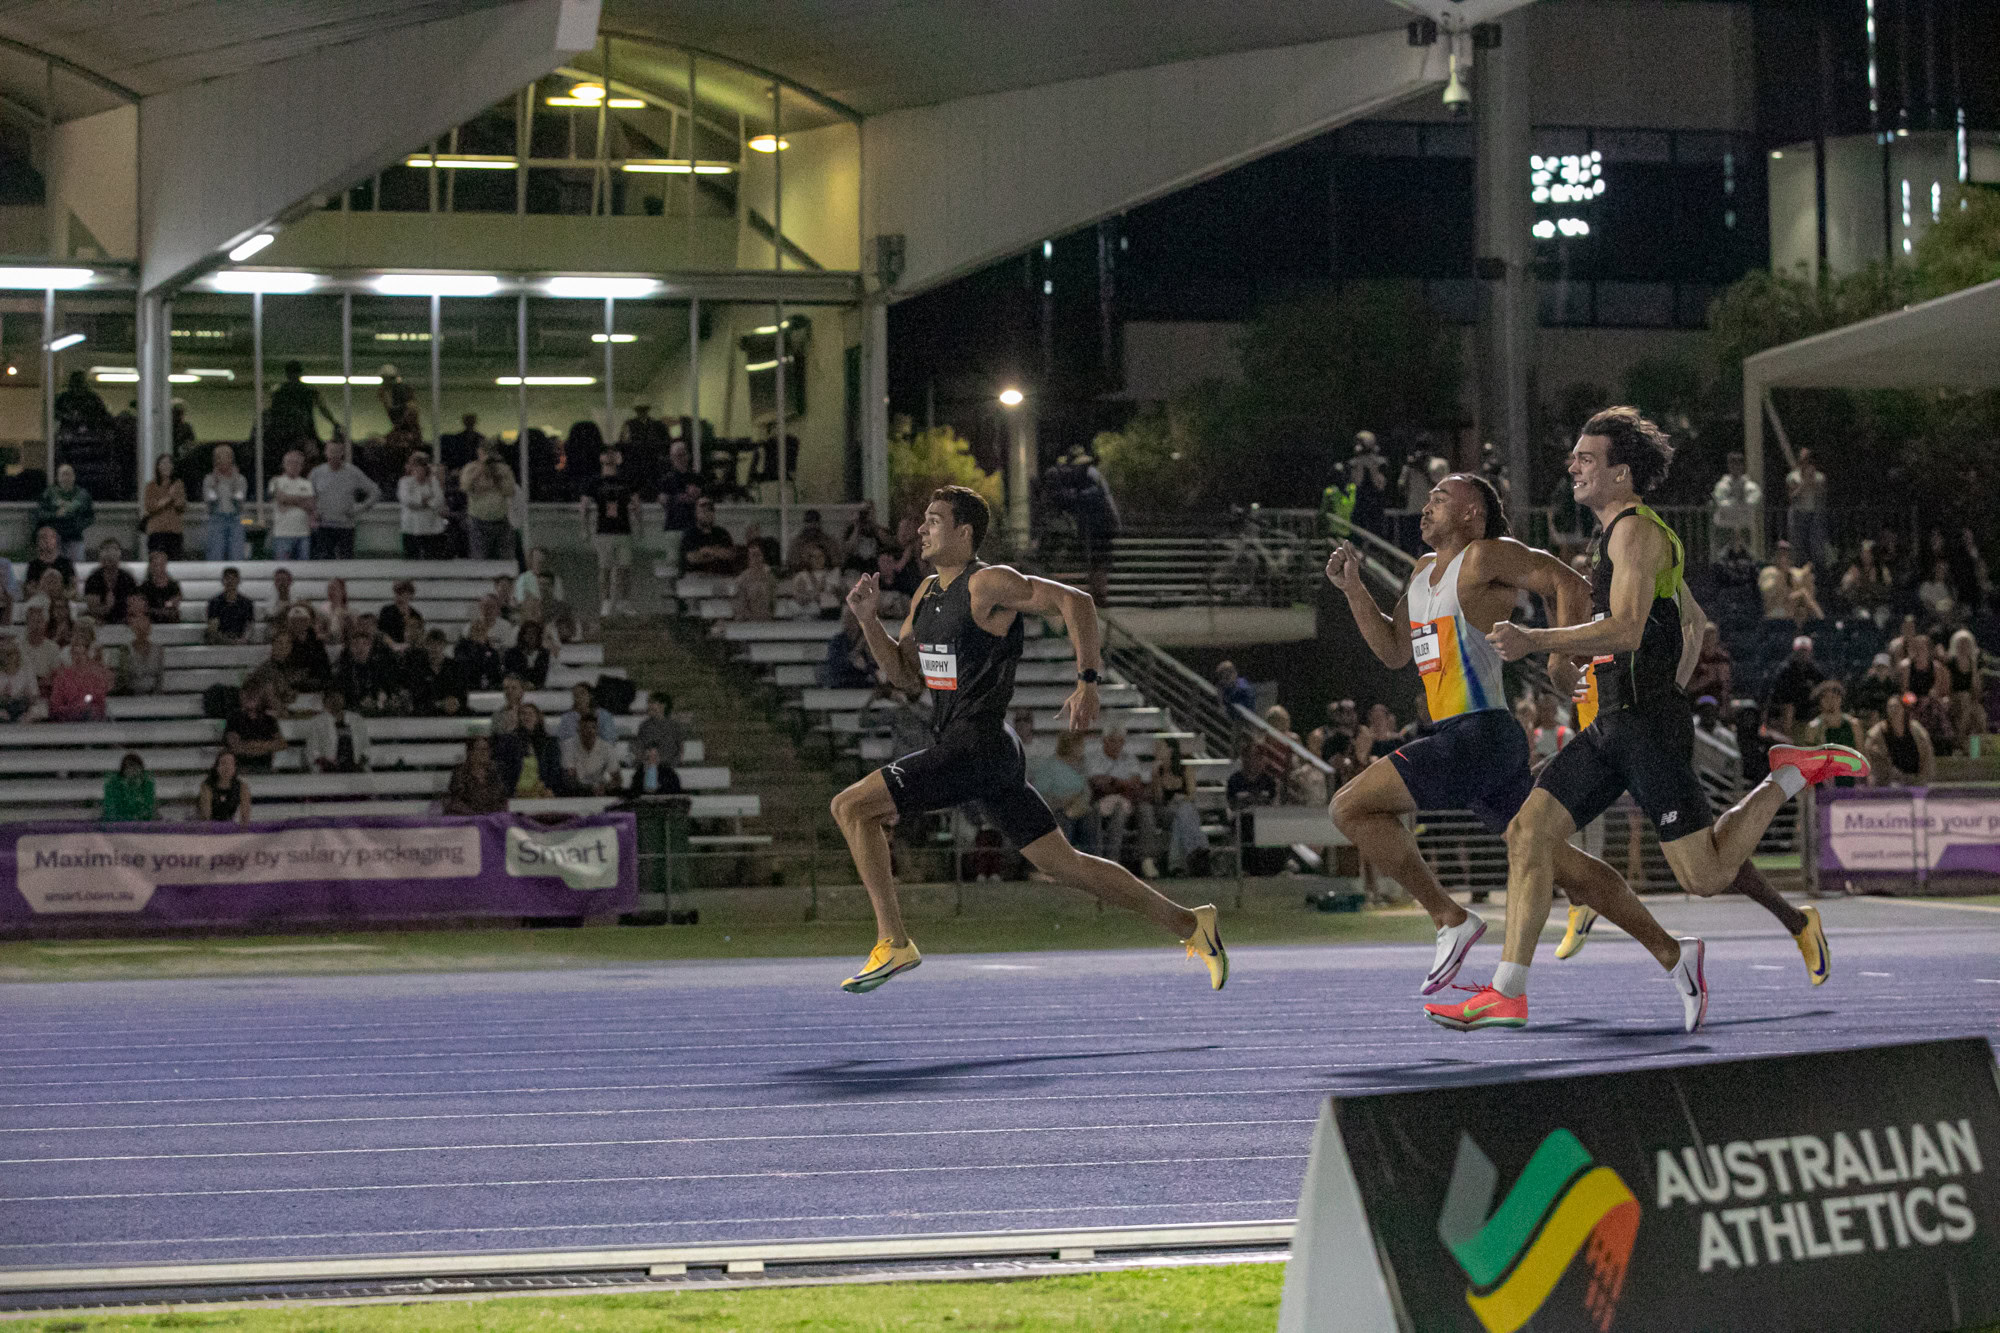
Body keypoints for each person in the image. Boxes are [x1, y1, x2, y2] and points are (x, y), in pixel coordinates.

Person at [1460, 407, 1864, 1032]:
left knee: (1705, 876)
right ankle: (1507, 991)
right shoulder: (1618, 538)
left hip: (1645, 726)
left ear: (1621, 473)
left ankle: (1786, 776)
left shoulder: (1635, 533)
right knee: (1527, 832)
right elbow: (1693, 622)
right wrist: (1640, 675)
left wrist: (1539, 640)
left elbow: (1625, 629)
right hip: (1614, 722)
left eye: (1586, 458)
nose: (1573, 465)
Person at [827, 485, 1225, 994]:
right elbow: (906, 678)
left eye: (934, 520)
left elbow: (1076, 601)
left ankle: (893, 941)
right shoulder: (925, 595)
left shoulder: (987, 583)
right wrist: (868, 622)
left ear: (964, 532)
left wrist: (1088, 681)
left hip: (976, 745)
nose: (921, 529)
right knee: (1065, 865)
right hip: (982, 750)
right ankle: (1192, 924)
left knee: (850, 806)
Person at [1326, 470, 1690, 1001]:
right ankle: (1674, 952)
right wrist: (1354, 589)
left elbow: (1570, 583)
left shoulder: (1483, 556)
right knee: (1565, 865)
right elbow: (1393, 651)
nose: (1426, 506)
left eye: (1439, 498)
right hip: (1477, 742)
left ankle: (1450, 917)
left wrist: (1560, 658)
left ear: (1470, 513)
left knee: (1349, 807)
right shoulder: (1423, 570)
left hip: (1480, 734)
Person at [1087, 724, 1158, 875]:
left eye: (1120, 741)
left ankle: (1147, 860)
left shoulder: (1130, 759)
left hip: (1129, 800)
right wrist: (1123, 784)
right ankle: (1112, 860)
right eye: (1112, 740)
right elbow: (1098, 784)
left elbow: (1136, 783)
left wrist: (1114, 782)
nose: (1117, 745)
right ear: (1104, 741)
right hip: (1104, 803)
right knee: (1119, 811)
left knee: (1146, 809)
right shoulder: (1095, 759)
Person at [582, 448, 638, 617]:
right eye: (606, 453)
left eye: (613, 453)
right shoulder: (595, 482)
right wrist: (584, 528)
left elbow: (636, 503)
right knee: (605, 568)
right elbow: (584, 506)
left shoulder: (626, 480)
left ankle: (624, 602)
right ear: (601, 457)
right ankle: (605, 602)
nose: (609, 456)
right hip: (604, 530)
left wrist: (639, 525)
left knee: (625, 568)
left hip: (623, 530)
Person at [309, 437, 381, 559]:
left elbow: (375, 491)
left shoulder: (352, 472)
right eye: (331, 451)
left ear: (342, 453)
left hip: (346, 527)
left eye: (337, 451)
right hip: (324, 527)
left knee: (347, 563)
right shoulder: (316, 473)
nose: (334, 455)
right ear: (325, 452)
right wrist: (313, 512)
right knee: (324, 563)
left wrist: (360, 508)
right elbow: (308, 496)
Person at [1029, 731, 1098, 854]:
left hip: (1078, 806)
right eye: (1079, 745)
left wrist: (1079, 802)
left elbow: (1087, 790)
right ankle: (1063, 858)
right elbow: (1039, 793)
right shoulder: (1049, 766)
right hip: (1056, 808)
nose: (1082, 748)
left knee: (1090, 819)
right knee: (1062, 820)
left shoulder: (1082, 766)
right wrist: (1062, 802)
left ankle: (1093, 858)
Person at [459, 438, 516, 562]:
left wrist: (496, 477)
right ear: (479, 452)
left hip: (500, 522)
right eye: (485, 451)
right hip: (478, 522)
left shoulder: (503, 470)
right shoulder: (470, 468)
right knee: (480, 561)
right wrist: (480, 470)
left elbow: (510, 491)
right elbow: (464, 487)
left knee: (504, 560)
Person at [1802, 680, 1865, 788]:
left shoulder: (1853, 724)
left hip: (1849, 778)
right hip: (1824, 782)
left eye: (1834, 697)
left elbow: (1861, 752)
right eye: (1826, 698)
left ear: (1840, 699)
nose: (1830, 701)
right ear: (1820, 701)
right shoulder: (1813, 727)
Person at [266, 360, 338, 454]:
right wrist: (334, 423)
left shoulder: (278, 391)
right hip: (305, 430)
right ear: (300, 373)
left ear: (286, 374)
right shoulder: (310, 390)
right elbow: (323, 408)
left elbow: (268, 410)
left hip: (283, 431)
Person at [46, 618, 111, 721]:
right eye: (75, 652)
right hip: (67, 719)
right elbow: (55, 704)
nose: (78, 656)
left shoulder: (96, 674)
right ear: (71, 653)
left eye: (81, 652)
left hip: (90, 719)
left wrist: (83, 705)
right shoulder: (62, 676)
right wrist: (71, 709)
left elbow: (98, 700)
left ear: (87, 652)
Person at [1866, 692, 1935, 786]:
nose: (1893, 710)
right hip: (1889, 783)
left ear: (1903, 709)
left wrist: (1923, 779)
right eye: (1890, 707)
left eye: (1896, 707)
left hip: (1916, 781)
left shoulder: (1916, 730)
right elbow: (1869, 757)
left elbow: (1927, 754)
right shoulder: (1877, 734)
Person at [497, 702, 562, 799]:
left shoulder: (550, 742)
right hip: (516, 792)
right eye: (523, 714)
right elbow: (504, 768)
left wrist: (549, 788)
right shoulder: (509, 741)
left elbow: (554, 769)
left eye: (530, 714)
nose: (527, 717)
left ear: (537, 718)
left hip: (541, 792)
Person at [1766, 634, 1826, 739]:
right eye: (1800, 651)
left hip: (1809, 712)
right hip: (1789, 714)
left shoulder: (1816, 672)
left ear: (1810, 652)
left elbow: (1822, 690)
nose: (1802, 654)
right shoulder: (1785, 671)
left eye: (1805, 651)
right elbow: (1778, 695)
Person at [35, 463, 94, 565]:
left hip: (75, 538)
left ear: (74, 477)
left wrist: (78, 525)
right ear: (57, 477)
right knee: (56, 566)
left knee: (77, 567)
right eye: (63, 474)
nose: (66, 477)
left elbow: (90, 517)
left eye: (69, 474)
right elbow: (40, 514)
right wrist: (55, 515)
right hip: (54, 540)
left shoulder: (83, 495)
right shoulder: (49, 494)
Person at [303, 687, 370, 772]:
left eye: (338, 697)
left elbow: (365, 747)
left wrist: (360, 763)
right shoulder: (317, 722)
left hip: (354, 768)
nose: (335, 701)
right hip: (329, 769)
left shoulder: (356, 719)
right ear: (325, 701)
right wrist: (327, 764)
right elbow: (312, 749)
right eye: (332, 697)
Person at [396, 450, 448, 560]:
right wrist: (422, 500)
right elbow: (406, 500)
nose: (419, 470)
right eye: (416, 466)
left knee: (432, 559)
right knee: (411, 559)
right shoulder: (405, 482)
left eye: (422, 466)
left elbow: (439, 500)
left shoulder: (433, 482)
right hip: (411, 527)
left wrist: (426, 503)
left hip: (431, 528)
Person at [200, 446, 249, 561]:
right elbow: (210, 500)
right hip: (216, 519)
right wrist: (215, 484)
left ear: (231, 459)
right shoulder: (209, 480)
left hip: (236, 520)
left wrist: (234, 483)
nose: (222, 461)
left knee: (237, 557)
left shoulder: (240, 480)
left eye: (226, 457)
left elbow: (239, 500)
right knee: (215, 556)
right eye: (218, 458)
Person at [224, 685, 287, 772]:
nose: (251, 697)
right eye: (247, 694)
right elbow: (235, 747)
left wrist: (253, 745)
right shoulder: (234, 717)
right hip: (241, 768)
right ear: (241, 696)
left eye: (254, 694)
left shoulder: (269, 719)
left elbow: (281, 744)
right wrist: (266, 747)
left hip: (265, 768)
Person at [1758, 540, 1822, 624]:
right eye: (1780, 554)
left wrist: (1807, 574)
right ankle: (1821, 621)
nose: (1784, 557)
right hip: (1775, 610)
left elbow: (1804, 580)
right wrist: (1782, 573)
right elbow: (1770, 594)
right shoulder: (1768, 572)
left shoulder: (1793, 571)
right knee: (1802, 594)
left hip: (1793, 610)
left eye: (1787, 554)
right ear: (1775, 556)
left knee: (1803, 601)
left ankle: (1822, 622)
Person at [1709, 450, 1761, 555]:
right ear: (1729, 465)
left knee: (1749, 556)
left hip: (1744, 527)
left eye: (1738, 463)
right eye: (1733, 463)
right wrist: (1739, 504)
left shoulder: (1751, 486)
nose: (1736, 467)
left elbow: (1752, 503)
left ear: (1743, 466)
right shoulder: (1722, 485)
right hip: (1725, 527)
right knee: (1721, 557)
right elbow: (1721, 504)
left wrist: (1733, 504)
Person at [1786, 447, 1829, 570]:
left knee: (1816, 547)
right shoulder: (1793, 477)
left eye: (1808, 460)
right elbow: (1791, 497)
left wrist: (1813, 482)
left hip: (1815, 515)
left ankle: (1818, 572)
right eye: (1803, 460)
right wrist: (1804, 484)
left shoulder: (1820, 477)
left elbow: (1823, 495)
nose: (1805, 463)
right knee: (1798, 547)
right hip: (1798, 515)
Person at [443, 735, 510, 814]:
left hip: (491, 818)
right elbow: (455, 802)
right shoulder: (460, 774)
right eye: (480, 749)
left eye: (487, 749)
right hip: (469, 818)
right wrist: (475, 815)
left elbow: (502, 799)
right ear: (470, 752)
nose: (484, 753)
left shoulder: (494, 774)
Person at [1839, 539, 1894, 629]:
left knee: (1880, 620)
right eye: (1863, 553)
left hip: (1880, 605)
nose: (1866, 556)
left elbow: (1889, 586)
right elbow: (1844, 587)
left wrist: (1877, 586)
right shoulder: (1855, 568)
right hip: (1861, 605)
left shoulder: (1881, 569)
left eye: (1868, 553)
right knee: (1864, 618)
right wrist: (1853, 581)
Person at [141, 454, 188, 558]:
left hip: (174, 531)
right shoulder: (151, 486)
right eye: (163, 463)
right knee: (157, 560)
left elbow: (181, 506)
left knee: (175, 561)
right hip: (157, 532)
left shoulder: (178, 484)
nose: (166, 466)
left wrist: (176, 498)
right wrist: (169, 497)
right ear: (158, 466)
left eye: (169, 463)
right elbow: (150, 506)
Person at [561, 714, 620, 796]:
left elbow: (617, 778)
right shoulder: (569, 745)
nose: (590, 731)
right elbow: (570, 778)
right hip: (577, 791)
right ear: (579, 730)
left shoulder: (607, 747)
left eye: (593, 728)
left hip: (601, 790)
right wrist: (590, 789)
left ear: (597, 730)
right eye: (585, 728)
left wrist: (605, 787)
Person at [1946, 627, 1988, 741]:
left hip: (1970, 701)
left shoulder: (1975, 664)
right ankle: (1960, 739)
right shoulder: (1950, 663)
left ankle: (1975, 748)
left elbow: (1976, 691)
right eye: (1961, 643)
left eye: (1967, 643)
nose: (1964, 646)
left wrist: (1973, 667)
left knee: (1979, 714)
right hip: (1953, 699)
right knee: (1965, 699)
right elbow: (1947, 688)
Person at [82, 540, 137, 626]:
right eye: (106, 551)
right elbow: (92, 608)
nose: (110, 558)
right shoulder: (93, 579)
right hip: (100, 623)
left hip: (124, 623)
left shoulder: (127, 579)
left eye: (114, 552)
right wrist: (106, 607)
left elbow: (134, 605)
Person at [786, 543, 846, 620]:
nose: (817, 559)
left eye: (821, 556)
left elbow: (843, 595)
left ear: (826, 557)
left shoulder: (834, 573)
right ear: (809, 559)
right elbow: (799, 598)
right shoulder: (801, 576)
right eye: (814, 557)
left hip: (832, 610)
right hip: (809, 612)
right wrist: (816, 591)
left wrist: (838, 591)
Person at [116, 604, 165, 696]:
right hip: (132, 694)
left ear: (149, 630)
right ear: (134, 630)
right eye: (139, 628)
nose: (142, 631)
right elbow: (123, 678)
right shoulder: (126, 649)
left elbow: (160, 677)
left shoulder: (158, 649)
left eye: (145, 628)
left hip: (153, 695)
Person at [680, 496, 737, 574]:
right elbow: (692, 558)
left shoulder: (722, 532)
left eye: (710, 510)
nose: (707, 513)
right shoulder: (689, 534)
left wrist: (708, 551)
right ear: (696, 513)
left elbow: (730, 555)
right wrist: (718, 553)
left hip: (721, 576)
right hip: (697, 576)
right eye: (703, 510)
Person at [658, 438, 703, 533]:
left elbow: (704, 500)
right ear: (672, 458)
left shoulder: (696, 478)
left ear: (688, 456)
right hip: (673, 526)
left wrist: (697, 495)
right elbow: (663, 500)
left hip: (693, 526)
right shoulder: (666, 479)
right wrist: (679, 498)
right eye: (678, 456)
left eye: (683, 455)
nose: (681, 459)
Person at [633, 693, 688, 768]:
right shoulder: (644, 726)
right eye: (649, 703)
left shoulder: (674, 726)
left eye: (653, 703)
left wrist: (674, 764)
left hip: (669, 766)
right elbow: (639, 747)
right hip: (649, 766)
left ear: (663, 705)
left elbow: (680, 748)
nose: (649, 706)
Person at [197, 750, 251, 825]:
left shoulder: (242, 787)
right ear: (217, 767)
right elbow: (205, 816)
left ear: (235, 767)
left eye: (230, 764)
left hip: (229, 825)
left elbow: (245, 817)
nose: (227, 767)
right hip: (210, 826)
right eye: (223, 763)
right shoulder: (207, 786)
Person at [205, 567, 255, 645]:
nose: (230, 581)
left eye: (233, 578)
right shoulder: (214, 602)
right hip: (220, 643)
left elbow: (249, 626)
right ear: (222, 581)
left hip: (241, 642)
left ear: (238, 581)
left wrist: (243, 640)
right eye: (227, 578)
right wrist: (227, 641)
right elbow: (213, 628)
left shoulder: (247, 603)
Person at [453, 616, 505, 692]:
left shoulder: (493, 652)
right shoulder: (461, 648)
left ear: (486, 632)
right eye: (476, 630)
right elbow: (465, 668)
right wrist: (479, 647)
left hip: (489, 690)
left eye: (482, 630)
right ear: (470, 632)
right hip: (468, 688)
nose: (479, 632)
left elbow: (496, 674)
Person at [101, 753, 157, 822]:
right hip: (118, 822)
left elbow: (149, 807)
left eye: (136, 768)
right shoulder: (112, 783)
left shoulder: (147, 783)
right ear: (123, 770)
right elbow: (111, 808)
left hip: (141, 822)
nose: (133, 771)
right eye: (129, 767)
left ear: (141, 770)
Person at [0, 637, 41, 721]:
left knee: (37, 710)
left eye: (10, 653)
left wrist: (25, 697)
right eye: (3, 653)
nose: (7, 657)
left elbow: (34, 695)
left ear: (17, 654)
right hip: (2, 709)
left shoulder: (27, 671)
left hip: (23, 708)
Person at [733, 541, 777, 621]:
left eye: (758, 555)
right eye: (753, 556)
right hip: (749, 621)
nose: (756, 559)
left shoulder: (771, 576)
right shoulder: (742, 579)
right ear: (748, 559)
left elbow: (773, 603)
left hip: (769, 620)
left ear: (763, 557)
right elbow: (740, 606)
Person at [502, 619, 552, 688]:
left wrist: (534, 685)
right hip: (517, 687)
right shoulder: (512, 653)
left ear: (538, 636)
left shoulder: (544, 654)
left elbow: (543, 674)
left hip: (539, 689)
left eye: (534, 633)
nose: (531, 636)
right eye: (528, 633)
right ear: (522, 635)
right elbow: (511, 673)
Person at [137, 548, 181, 623]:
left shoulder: (173, 586)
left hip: (170, 620)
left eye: (161, 564)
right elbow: (143, 606)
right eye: (156, 565)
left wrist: (167, 607)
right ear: (151, 566)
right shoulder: (144, 587)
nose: (158, 568)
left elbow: (173, 602)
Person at [376, 579, 419, 647]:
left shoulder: (415, 615)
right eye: (398, 592)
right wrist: (394, 645)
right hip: (388, 647)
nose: (400, 595)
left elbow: (417, 636)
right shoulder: (387, 610)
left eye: (403, 592)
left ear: (410, 594)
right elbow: (381, 632)